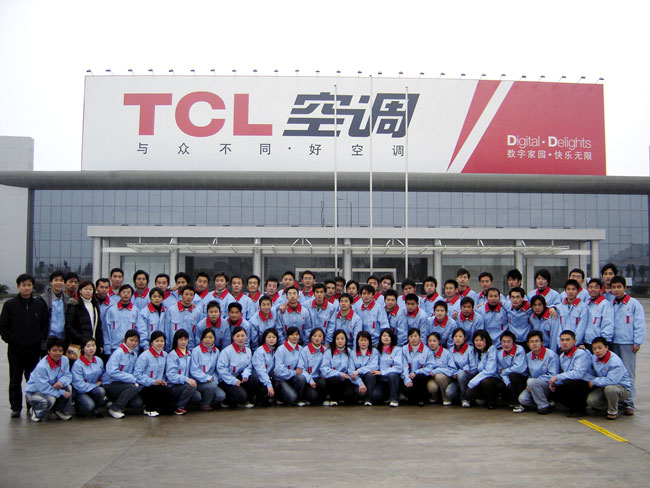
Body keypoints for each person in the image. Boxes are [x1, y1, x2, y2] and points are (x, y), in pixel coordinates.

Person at [0, 273, 50, 418]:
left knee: (32, 379)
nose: (26, 288)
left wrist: (40, 338)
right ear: (18, 286)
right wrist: (11, 339)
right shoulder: (10, 305)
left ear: (32, 286)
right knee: (15, 379)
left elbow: (45, 324)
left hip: (33, 349)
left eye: (29, 285)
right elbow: (3, 326)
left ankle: (31, 405)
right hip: (15, 349)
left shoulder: (39, 305)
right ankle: (15, 407)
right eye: (23, 285)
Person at [609, 276, 645, 415]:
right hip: (613, 342)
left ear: (625, 287)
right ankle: (617, 401)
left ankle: (629, 402)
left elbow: (639, 324)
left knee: (628, 373)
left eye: (619, 287)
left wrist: (637, 341)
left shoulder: (634, 304)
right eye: (614, 287)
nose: (616, 290)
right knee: (615, 373)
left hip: (628, 343)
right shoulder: (610, 303)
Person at [24, 337, 72, 422]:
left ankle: (59, 410)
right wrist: (61, 392)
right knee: (50, 400)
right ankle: (36, 412)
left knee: (68, 387)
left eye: (60, 350)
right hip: (34, 392)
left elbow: (67, 375)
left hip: (51, 388)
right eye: (54, 350)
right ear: (48, 351)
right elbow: (43, 388)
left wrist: (61, 382)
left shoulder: (64, 360)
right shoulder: (42, 366)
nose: (58, 353)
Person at [549, 330, 594, 417]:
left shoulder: (580, 353)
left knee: (569, 383)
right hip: (573, 382)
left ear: (574, 341)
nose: (564, 342)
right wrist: (556, 383)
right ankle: (573, 407)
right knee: (555, 389)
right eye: (562, 340)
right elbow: (564, 373)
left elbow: (578, 374)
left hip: (585, 383)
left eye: (568, 340)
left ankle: (580, 409)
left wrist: (557, 377)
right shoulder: (562, 356)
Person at [586, 337, 633, 420]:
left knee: (610, 389)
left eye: (600, 348)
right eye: (594, 349)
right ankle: (617, 406)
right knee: (592, 401)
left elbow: (612, 380)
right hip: (604, 386)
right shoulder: (594, 358)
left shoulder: (614, 361)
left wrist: (594, 381)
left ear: (606, 347)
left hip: (621, 388)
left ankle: (613, 412)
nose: (597, 351)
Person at [102, 330, 144, 419]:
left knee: (137, 403)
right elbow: (112, 371)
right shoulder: (118, 353)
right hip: (110, 384)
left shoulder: (134, 354)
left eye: (136, 341)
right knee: (134, 387)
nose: (133, 343)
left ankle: (114, 401)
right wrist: (132, 378)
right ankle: (115, 408)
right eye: (131, 340)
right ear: (125, 340)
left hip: (124, 385)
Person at [515, 330, 560, 414]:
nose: (534, 344)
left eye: (537, 341)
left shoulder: (551, 355)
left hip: (548, 384)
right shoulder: (528, 356)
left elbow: (553, 375)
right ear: (528, 344)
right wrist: (530, 383)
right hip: (533, 384)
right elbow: (527, 373)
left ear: (541, 343)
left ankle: (544, 406)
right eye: (531, 342)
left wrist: (533, 382)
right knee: (523, 399)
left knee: (532, 382)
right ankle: (548, 404)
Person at [189, 328, 226, 410]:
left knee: (221, 396)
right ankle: (204, 404)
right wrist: (207, 378)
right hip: (198, 382)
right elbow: (193, 370)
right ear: (202, 338)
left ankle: (206, 400)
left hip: (211, 381)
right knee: (211, 386)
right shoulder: (196, 351)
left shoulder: (216, 351)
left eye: (210, 337)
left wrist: (214, 379)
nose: (208, 340)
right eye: (205, 337)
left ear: (214, 339)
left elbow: (216, 369)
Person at [166, 329, 201, 415]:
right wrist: (186, 379)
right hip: (174, 386)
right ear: (176, 340)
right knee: (191, 386)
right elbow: (171, 375)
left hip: (184, 385)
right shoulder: (173, 355)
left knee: (197, 396)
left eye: (185, 339)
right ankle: (179, 407)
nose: (183, 342)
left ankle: (182, 403)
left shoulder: (189, 354)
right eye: (181, 339)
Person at [65, 280, 104, 355]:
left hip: (93, 344)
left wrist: (100, 343)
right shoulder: (75, 305)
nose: (88, 291)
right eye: (85, 289)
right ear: (80, 291)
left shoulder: (95, 305)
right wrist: (82, 338)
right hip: (79, 344)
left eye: (90, 289)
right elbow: (69, 326)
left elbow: (98, 326)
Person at [70, 336, 105, 417]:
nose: (91, 348)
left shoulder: (99, 360)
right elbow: (79, 385)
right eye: (88, 346)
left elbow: (103, 374)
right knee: (89, 405)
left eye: (93, 345)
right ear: (83, 348)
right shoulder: (78, 365)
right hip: (80, 392)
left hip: (93, 389)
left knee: (101, 391)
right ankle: (79, 408)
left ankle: (96, 409)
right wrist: (95, 385)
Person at [493, 331, 528, 409]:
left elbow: (519, 368)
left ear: (513, 342)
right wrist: (507, 382)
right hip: (508, 378)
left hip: (522, 377)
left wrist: (506, 371)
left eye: (508, 342)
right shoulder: (500, 354)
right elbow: (500, 371)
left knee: (513, 376)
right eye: (504, 342)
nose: (506, 344)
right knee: (500, 385)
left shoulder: (520, 350)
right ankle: (509, 400)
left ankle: (519, 403)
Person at [272, 326, 306, 406]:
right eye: (292, 335)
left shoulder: (301, 349)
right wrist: (294, 372)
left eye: (297, 335)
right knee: (291, 397)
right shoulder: (281, 349)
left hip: (293, 378)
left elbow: (302, 366)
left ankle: (299, 399)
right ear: (287, 336)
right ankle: (280, 397)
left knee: (301, 378)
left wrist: (298, 371)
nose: (294, 337)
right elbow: (278, 370)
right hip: (282, 379)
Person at [321, 329, 355, 406]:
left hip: (346, 378)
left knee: (349, 394)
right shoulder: (328, 352)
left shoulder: (349, 352)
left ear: (346, 340)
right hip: (333, 379)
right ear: (334, 340)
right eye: (338, 339)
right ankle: (333, 398)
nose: (340, 341)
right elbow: (324, 368)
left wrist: (348, 375)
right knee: (335, 380)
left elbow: (352, 367)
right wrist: (339, 374)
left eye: (342, 339)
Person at [466, 330, 499, 408]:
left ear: (486, 340)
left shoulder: (492, 349)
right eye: (476, 340)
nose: (478, 343)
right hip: (481, 375)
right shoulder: (475, 351)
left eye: (481, 340)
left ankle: (491, 402)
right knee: (469, 391)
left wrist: (473, 381)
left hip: (494, 377)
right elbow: (473, 368)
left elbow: (490, 370)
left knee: (486, 382)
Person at [371, 329, 403, 407]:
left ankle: (394, 399)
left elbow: (398, 367)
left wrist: (383, 372)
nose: (386, 338)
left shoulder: (397, 350)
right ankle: (387, 396)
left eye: (388, 336)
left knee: (392, 374)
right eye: (384, 336)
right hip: (382, 380)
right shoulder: (376, 350)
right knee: (375, 396)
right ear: (380, 338)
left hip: (393, 379)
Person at [400, 328, 432, 406]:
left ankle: (421, 399)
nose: (413, 338)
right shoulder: (403, 350)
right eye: (411, 336)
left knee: (420, 378)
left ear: (420, 337)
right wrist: (407, 379)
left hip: (421, 377)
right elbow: (403, 366)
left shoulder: (427, 350)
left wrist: (416, 372)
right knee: (405, 387)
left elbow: (429, 367)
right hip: (408, 377)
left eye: (415, 336)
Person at [104, 284, 138, 355]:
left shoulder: (135, 311)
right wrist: (107, 347)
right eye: (123, 292)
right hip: (114, 348)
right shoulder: (111, 310)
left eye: (128, 292)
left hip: (131, 348)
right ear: (119, 294)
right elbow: (106, 330)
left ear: (132, 295)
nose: (126, 294)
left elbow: (140, 329)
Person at [446, 328, 476, 408]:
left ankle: (465, 398)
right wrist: (456, 372)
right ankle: (459, 395)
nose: (458, 338)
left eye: (460, 336)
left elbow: (473, 368)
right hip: (456, 378)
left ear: (465, 338)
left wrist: (465, 370)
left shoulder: (470, 349)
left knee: (461, 374)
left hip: (468, 377)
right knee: (449, 393)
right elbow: (451, 367)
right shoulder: (450, 351)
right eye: (455, 336)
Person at [581, 278, 614, 351]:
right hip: (586, 342)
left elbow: (608, 324)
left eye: (596, 287)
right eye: (590, 287)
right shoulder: (586, 304)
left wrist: (604, 341)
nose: (593, 289)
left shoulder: (605, 304)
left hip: (599, 344)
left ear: (601, 290)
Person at [166, 285, 202, 351]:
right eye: (186, 294)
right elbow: (167, 330)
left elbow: (198, 332)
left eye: (191, 295)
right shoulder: (172, 310)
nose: (188, 297)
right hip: (174, 347)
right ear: (182, 295)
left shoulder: (197, 312)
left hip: (190, 347)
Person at [425, 332, 456, 406]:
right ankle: (434, 396)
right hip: (431, 378)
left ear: (439, 341)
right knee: (432, 387)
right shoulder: (426, 353)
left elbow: (452, 369)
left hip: (445, 377)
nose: (432, 343)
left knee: (439, 376)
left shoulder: (446, 353)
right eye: (430, 341)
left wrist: (437, 371)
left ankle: (445, 398)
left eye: (434, 341)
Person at [348, 330, 378, 406]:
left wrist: (358, 371)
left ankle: (368, 399)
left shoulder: (374, 352)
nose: (363, 342)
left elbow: (374, 366)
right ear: (357, 341)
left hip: (370, 380)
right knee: (359, 393)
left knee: (370, 374)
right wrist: (360, 384)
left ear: (369, 341)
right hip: (358, 380)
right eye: (361, 340)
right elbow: (351, 371)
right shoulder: (353, 353)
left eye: (365, 340)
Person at [299, 327, 327, 405]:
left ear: (323, 338)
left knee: (323, 383)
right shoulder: (305, 350)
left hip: (319, 379)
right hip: (308, 380)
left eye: (320, 336)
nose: (317, 338)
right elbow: (301, 368)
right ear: (311, 337)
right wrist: (310, 380)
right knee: (313, 396)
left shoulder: (325, 350)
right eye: (315, 336)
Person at [251, 328, 279, 406]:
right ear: (264, 338)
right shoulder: (260, 351)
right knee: (265, 392)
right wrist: (268, 385)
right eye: (269, 337)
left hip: (268, 378)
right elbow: (261, 371)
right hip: (259, 379)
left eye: (274, 337)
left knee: (278, 384)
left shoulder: (275, 351)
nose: (271, 339)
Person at [41, 270, 67, 341]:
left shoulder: (67, 300)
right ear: (51, 282)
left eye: (61, 280)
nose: (59, 282)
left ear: (64, 283)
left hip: (63, 339)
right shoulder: (42, 300)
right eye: (56, 280)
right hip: (48, 338)